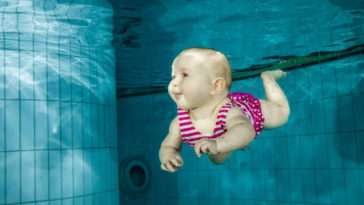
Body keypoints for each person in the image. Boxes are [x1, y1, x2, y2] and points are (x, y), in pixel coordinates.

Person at [159, 47, 290, 172]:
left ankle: (268, 78)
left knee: (283, 115)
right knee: (217, 159)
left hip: (250, 110)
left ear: (216, 86)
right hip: (220, 133)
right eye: (173, 76)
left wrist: (217, 144)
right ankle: (232, 140)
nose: (174, 83)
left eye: (185, 75)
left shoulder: (228, 112)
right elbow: (168, 146)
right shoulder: (179, 124)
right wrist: (168, 156)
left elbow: (246, 131)